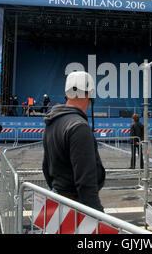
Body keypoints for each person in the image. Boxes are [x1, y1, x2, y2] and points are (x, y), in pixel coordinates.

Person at [42, 71, 105, 212]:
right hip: (76, 204)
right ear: (89, 95)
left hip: (60, 200)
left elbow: (46, 167)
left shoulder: (52, 121)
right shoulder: (79, 127)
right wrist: (99, 216)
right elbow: (85, 182)